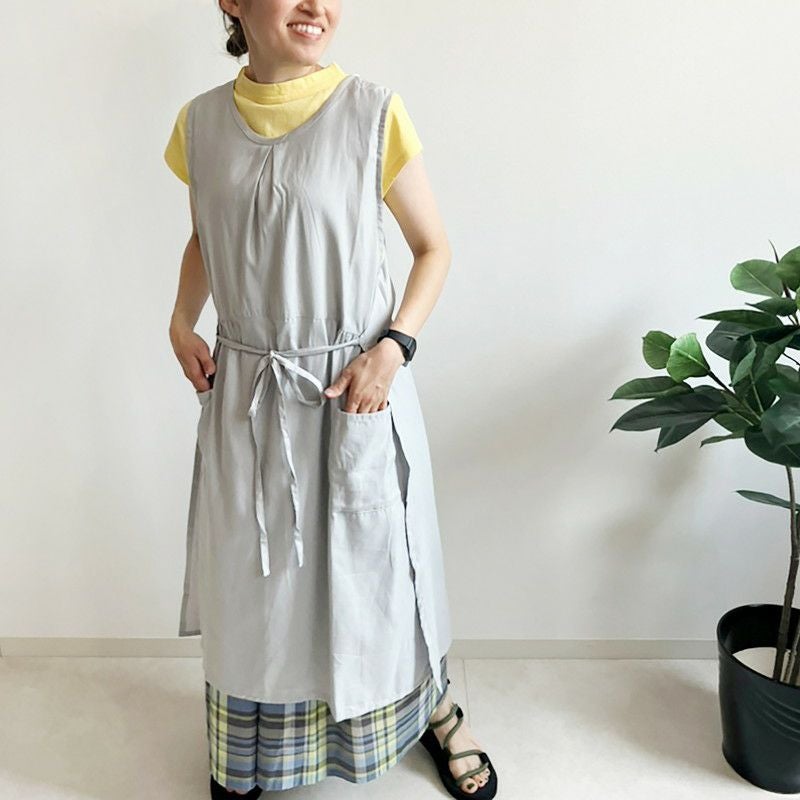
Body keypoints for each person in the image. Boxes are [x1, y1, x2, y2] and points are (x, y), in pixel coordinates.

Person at [164, 1, 497, 797]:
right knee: (256, 589)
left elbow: (433, 248)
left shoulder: (372, 113)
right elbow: (208, 234)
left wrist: (395, 346)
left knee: (379, 578)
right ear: (233, 2)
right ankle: (248, 751)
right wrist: (180, 319)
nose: (317, 6)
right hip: (250, 393)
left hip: (354, 393)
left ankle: (436, 712)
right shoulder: (200, 123)